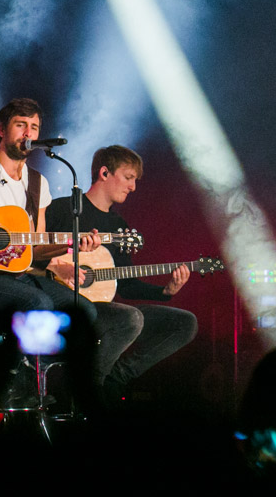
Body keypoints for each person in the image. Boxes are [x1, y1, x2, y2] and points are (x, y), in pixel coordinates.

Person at [0, 98, 139, 400]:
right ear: (2, 130)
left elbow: (36, 247)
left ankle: (56, 388)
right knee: (38, 303)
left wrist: (71, 244)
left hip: (16, 274)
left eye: (34, 127)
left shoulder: (37, 183)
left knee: (82, 308)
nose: (28, 133)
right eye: (21, 125)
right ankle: (10, 384)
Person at [41, 145, 198, 404]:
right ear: (104, 173)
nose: (133, 187)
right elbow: (33, 255)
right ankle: (85, 393)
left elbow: (125, 285)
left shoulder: (118, 227)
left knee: (184, 323)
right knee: (130, 317)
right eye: (128, 177)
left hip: (105, 309)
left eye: (135, 180)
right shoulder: (60, 210)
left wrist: (165, 291)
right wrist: (59, 265)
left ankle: (113, 380)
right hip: (64, 306)